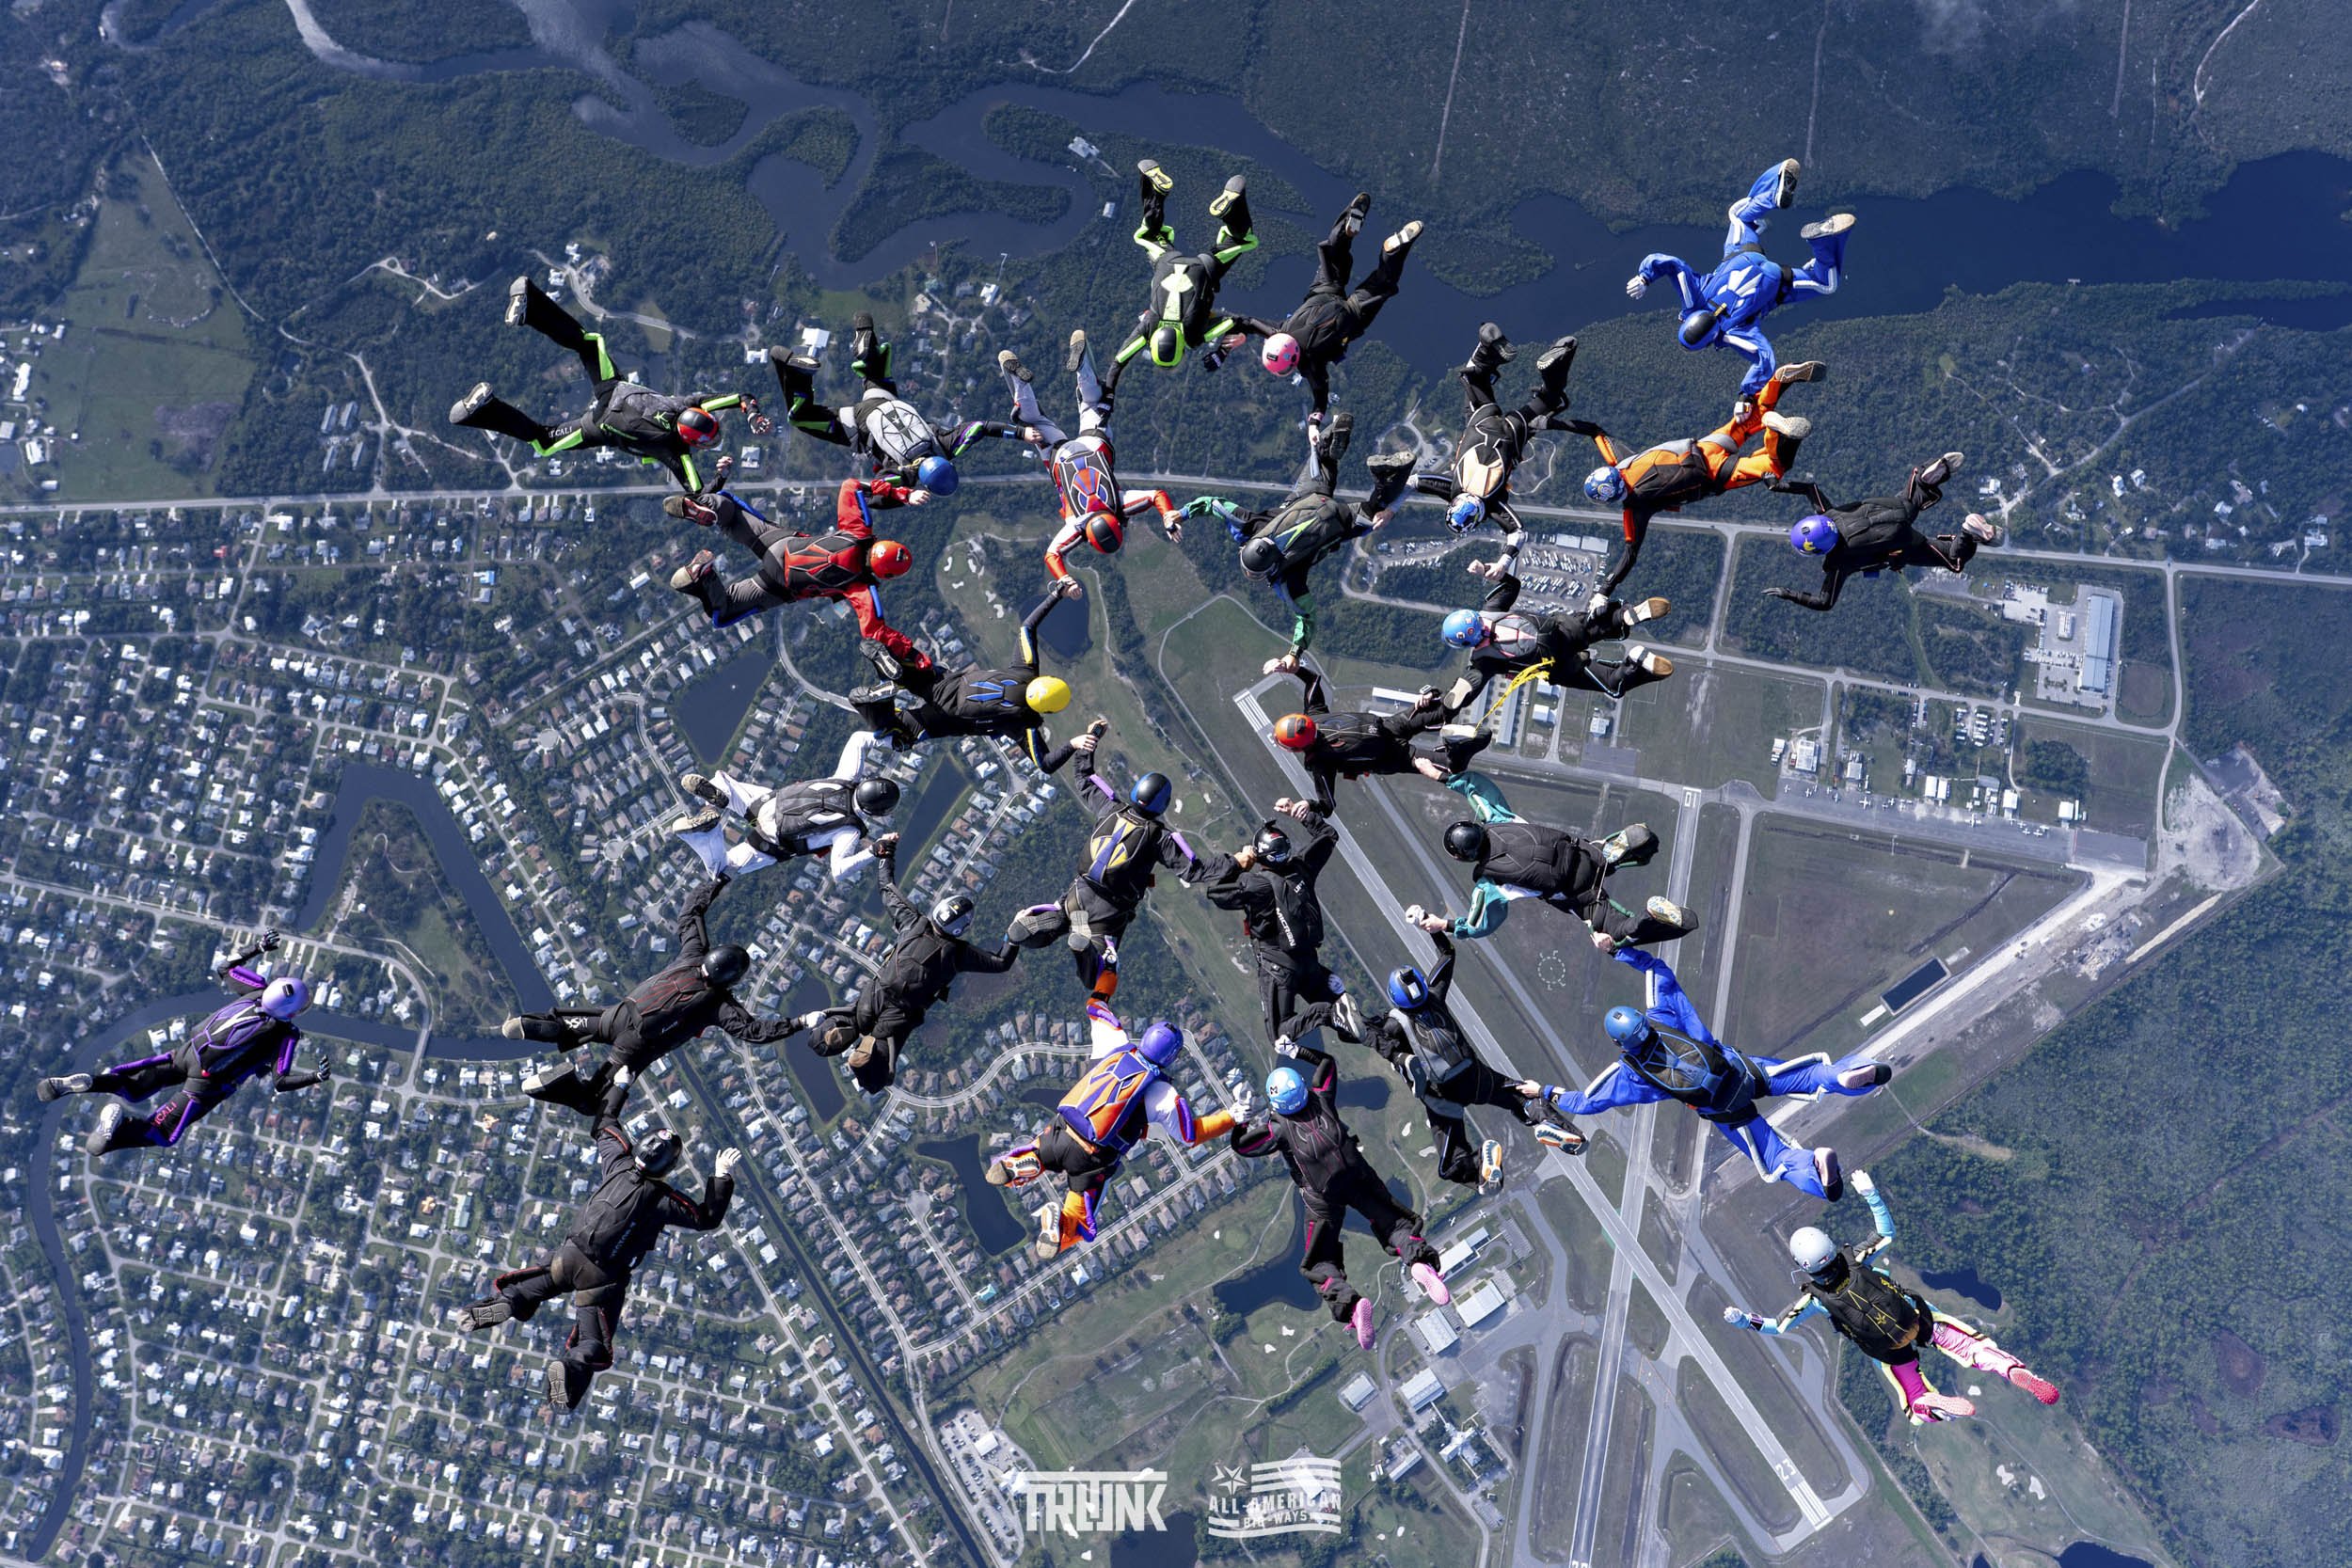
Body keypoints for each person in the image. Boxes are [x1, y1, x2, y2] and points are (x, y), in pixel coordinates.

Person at [456, 1075, 739, 1410]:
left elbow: (605, 1123)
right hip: (602, 1278)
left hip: (568, 1256)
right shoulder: (661, 1199)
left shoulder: (617, 1163)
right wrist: (722, 1174)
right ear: (667, 1168)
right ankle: (570, 1365)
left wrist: (621, 1083)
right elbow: (706, 1217)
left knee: (528, 1289)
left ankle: (507, 1301)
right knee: (593, 1344)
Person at [1535, 946, 1889, 1200]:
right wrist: (1615, 950)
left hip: (1727, 1112)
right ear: (1641, 1021)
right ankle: (1846, 1075)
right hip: (1743, 1070)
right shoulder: (1663, 1016)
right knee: (1813, 1075)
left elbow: (1585, 1103)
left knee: (1776, 1157)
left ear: (1621, 1044)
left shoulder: (1630, 1074)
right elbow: (1657, 970)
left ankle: (1815, 1168)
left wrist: (1545, 1091)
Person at [1724, 1171, 2059, 1423]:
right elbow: (1886, 1232)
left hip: (1888, 1351)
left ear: (1805, 1267)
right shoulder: (1856, 1258)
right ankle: (2009, 1368)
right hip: (1918, 1319)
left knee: (1913, 1401)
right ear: (1829, 1245)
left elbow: (1777, 1327)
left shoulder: (1813, 1300)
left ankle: (1928, 1404)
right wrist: (1870, 1193)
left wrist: (1742, 1321)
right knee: (1972, 1346)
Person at [504, 877, 803, 1117]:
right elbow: (753, 1031)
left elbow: (690, 913)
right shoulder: (719, 1004)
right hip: (635, 1047)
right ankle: (562, 1086)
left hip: (620, 1015)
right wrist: (798, 1023)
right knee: (593, 1101)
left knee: (573, 1025)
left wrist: (718, 880)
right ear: (733, 979)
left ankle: (531, 1025)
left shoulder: (693, 955)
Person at [1230, 1038, 1452, 1349]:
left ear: (1276, 1103)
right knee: (1393, 1224)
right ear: (1302, 1089)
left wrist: (1240, 1119)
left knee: (1318, 1262)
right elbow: (1327, 1064)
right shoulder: (1321, 1098)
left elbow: (1242, 1146)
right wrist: (1298, 1052)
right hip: (1358, 1175)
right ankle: (1418, 1264)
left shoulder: (1278, 1129)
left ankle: (1350, 1304)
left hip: (1322, 1196)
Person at [450, 276, 750, 496]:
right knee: (544, 442)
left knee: (589, 344)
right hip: (601, 424)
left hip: (613, 390)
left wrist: (750, 409)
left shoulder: (687, 404)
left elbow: (736, 398)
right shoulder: (675, 451)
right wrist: (721, 476)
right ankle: (485, 409)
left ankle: (532, 302)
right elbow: (700, 493)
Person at [988, 1002, 1241, 1259]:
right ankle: (1059, 1227)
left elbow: (1096, 1008)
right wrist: (1233, 1117)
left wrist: (1107, 970)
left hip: (1060, 1130)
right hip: (1091, 1159)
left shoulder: (1116, 1045)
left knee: (1039, 1151)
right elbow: (1190, 1136)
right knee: (1080, 1220)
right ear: (1171, 1057)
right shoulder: (1162, 1093)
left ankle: (1023, 1162)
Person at [40, 930, 327, 1155]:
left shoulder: (256, 990)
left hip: (187, 1053)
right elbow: (281, 1081)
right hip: (207, 1085)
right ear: (291, 1012)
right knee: (162, 1133)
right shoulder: (285, 1034)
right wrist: (315, 1077)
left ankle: (84, 1083)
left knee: (134, 1085)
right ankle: (110, 1138)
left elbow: (225, 967)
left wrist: (259, 947)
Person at [1569, 357, 1824, 599]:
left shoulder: (1635, 508)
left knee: (1774, 466)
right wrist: (1544, 423)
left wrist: (1604, 591)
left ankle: (1776, 433)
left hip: (1716, 475)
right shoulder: (1622, 462)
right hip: (1703, 446)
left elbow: (1630, 554)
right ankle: (1780, 381)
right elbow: (1594, 431)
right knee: (1754, 414)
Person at [1184, 411, 1416, 666]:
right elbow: (1214, 504)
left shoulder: (1286, 581)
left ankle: (1388, 479)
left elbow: (1306, 616)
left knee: (1377, 513)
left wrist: (1295, 653)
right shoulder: (1249, 528)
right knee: (1322, 459)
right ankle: (1331, 439)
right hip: (1310, 497)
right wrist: (1181, 514)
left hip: (1339, 522)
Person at [1363, 932, 1583, 1195]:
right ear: (1421, 985)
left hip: (1443, 1096)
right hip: (1475, 1076)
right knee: (1522, 1096)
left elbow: (1361, 1030)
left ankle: (1481, 1169)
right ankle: (1555, 1126)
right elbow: (1448, 954)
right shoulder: (1434, 994)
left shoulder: (1393, 1024)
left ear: (1394, 996)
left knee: (1450, 1165)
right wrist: (1433, 929)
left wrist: (1334, 1012)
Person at [1625, 159, 1852, 404]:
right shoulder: (1694, 300)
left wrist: (1746, 394)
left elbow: (1764, 356)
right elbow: (1673, 265)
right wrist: (1645, 277)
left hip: (1777, 281)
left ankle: (1823, 242)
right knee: (1738, 215)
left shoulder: (1732, 333)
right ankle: (1774, 193)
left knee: (1826, 284)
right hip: (1744, 254)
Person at [803, 837, 1020, 1093]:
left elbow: (886, 888)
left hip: (874, 997)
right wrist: (1015, 932)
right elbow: (1001, 962)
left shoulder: (914, 923)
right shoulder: (958, 954)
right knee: (878, 1076)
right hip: (899, 1017)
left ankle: (828, 1036)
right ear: (962, 928)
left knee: (837, 1028)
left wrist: (886, 853)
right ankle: (864, 1064)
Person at [850, 579, 1107, 774]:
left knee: (914, 668)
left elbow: (1027, 627)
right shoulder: (1023, 724)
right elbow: (1046, 765)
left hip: (942, 683)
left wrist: (1056, 594)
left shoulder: (1025, 671)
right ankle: (871, 701)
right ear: (1047, 710)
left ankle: (896, 670)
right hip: (941, 720)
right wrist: (1074, 743)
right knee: (893, 733)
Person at [1410, 771, 1689, 948]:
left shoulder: (1490, 885)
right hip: (1584, 853)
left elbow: (1477, 925)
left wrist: (1444, 925)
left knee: (1614, 935)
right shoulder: (1499, 818)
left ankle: (1650, 918)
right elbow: (1477, 786)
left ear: (1463, 858)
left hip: (1579, 895)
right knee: (1602, 853)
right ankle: (1622, 848)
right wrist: (1438, 775)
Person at [1008, 762, 1209, 1004]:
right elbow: (1194, 870)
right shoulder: (1160, 837)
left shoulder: (1110, 807)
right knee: (1095, 976)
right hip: (1108, 913)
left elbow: (1083, 779)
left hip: (1078, 895)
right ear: (1163, 804)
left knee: (1067, 919)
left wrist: (1086, 749)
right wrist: (1236, 864)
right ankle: (1084, 950)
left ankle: (1049, 921)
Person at [663, 478, 928, 659]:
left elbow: (851, 486)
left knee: (729, 510)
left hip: (781, 544)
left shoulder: (857, 530)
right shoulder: (859, 587)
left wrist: (903, 494)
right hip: (781, 584)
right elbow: (874, 632)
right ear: (887, 574)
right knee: (724, 612)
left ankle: (706, 505)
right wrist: (913, 654)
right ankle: (705, 576)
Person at [996, 341, 1182, 594]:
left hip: (1093, 444)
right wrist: (1064, 579)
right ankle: (1020, 384)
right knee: (1034, 421)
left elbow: (1157, 495)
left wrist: (1168, 516)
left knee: (1091, 405)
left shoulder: (1119, 503)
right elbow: (1052, 555)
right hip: (1060, 456)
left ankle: (1082, 365)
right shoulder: (1076, 527)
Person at [771, 310, 1023, 493]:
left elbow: (982, 427)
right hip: (858, 423)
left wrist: (1023, 434)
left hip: (887, 401)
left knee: (875, 375)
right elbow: (872, 492)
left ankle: (865, 336)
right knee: (801, 418)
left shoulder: (948, 447)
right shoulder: (903, 475)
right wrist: (907, 495)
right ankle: (794, 372)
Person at [1229, 192, 1422, 421]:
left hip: (1352, 315)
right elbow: (1245, 322)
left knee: (1383, 283)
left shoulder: (1310, 365)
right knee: (1333, 254)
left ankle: (1393, 252)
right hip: (1324, 291)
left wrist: (1314, 423)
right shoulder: (1276, 332)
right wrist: (1224, 337)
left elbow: (1321, 397)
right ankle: (1345, 229)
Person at [1406, 324, 1580, 568]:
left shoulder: (1493, 505)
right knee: (1475, 378)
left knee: (1550, 399)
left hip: (1512, 435)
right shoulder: (1451, 488)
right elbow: (1412, 482)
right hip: (1482, 422)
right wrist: (1386, 506)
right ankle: (1487, 345)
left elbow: (1518, 533)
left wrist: (1503, 563)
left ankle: (1560, 361)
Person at [1433, 567, 1674, 723]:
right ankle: (1624, 616)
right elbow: (1512, 585)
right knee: (1597, 624)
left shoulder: (1483, 660)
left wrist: (1447, 702)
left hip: (1558, 665)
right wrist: (1489, 570)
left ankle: (1634, 662)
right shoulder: (1491, 610)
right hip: (1560, 629)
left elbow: (1468, 687)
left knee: (1613, 684)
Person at [1202, 816, 1364, 1050]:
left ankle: (1329, 1010)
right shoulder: (1302, 866)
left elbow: (1216, 893)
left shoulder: (1257, 884)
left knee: (1279, 1035)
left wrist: (1239, 863)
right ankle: (1390, 1046)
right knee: (1351, 1025)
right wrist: (1304, 815)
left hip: (1279, 969)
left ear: (1260, 855)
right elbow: (1329, 834)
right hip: (1309, 961)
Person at [1103, 159, 1259, 394]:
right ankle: (1156, 190)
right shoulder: (1148, 327)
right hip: (1167, 261)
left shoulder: (1195, 336)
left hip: (1203, 268)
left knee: (1240, 240)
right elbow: (1118, 362)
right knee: (1151, 235)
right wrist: (1107, 394)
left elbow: (1238, 321)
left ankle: (1233, 209)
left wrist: (1276, 332)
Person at [1767, 455, 2002, 611]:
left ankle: (1968, 533)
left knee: (1953, 560)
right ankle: (1923, 478)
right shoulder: (1829, 513)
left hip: (1902, 543)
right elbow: (1810, 488)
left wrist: (1789, 594)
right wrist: (1776, 486)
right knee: (1913, 496)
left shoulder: (1839, 562)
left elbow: (1823, 602)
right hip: (1894, 508)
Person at [671, 732, 900, 883]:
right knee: (721, 870)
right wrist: (874, 850)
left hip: (769, 803)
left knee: (725, 785)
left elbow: (859, 739)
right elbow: (838, 872)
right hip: (773, 840)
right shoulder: (849, 831)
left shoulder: (847, 778)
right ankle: (708, 833)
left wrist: (895, 738)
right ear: (877, 812)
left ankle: (717, 800)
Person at [1265, 662, 1471, 818]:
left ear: (1295, 749)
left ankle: (1450, 743)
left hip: (1394, 755)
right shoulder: (1314, 715)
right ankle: (1444, 702)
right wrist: (1291, 668)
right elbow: (1313, 680)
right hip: (1392, 727)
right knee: (1441, 708)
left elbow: (1327, 806)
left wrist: (1309, 805)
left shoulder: (1319, 762)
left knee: (1452, 767)